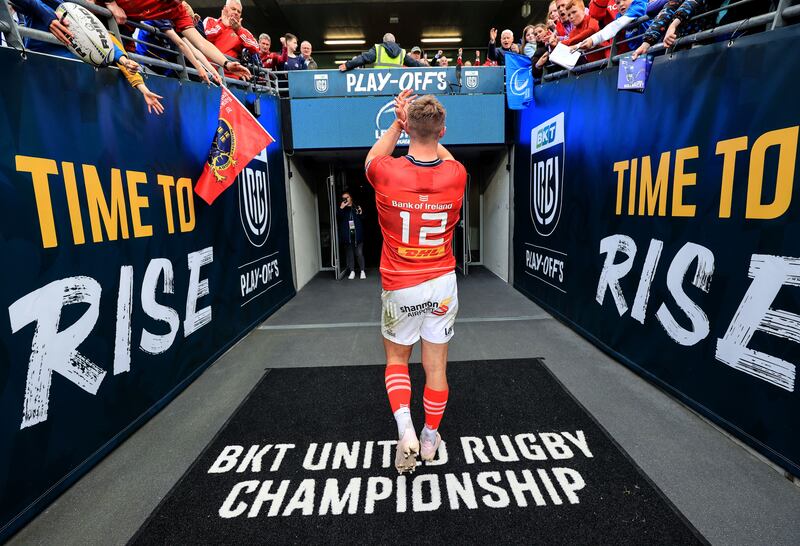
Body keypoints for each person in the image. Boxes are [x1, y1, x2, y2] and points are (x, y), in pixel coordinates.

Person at [365, 89, 467, 473]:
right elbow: (444, 155)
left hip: (400, 284)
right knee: (436, 368)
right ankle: (428, 439)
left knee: (396, 359)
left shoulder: (385, 172)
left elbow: (374, 156)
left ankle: (405, 430)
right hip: (441, 282)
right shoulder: (456, 174)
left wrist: (398, 122)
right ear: (442, 131)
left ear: (409, 129)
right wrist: (422, 129)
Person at [100, 0, 252, 79]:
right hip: (91, 14)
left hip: (121, 30)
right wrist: (110, 3)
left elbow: (200, 43)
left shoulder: (176, 10)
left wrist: (227, 64)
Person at [203, 0, 258, 77]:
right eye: (233, 9)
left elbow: (255, 48)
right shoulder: (210, 21)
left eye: (238, 11)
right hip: (209, 74)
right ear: (225, 8)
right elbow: (206, 37)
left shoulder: (242, 31)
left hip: (232, 78)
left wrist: (238, 30)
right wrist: (223, 25)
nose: (236, 12)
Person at [339, 32, 423, 71]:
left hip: (380, 86)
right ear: (394, 41)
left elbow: (364, 58)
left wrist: (348, 65)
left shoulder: (378, 49)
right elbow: (415, 64)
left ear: (384, 42)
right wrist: (432, 69)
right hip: (396, 87)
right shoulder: (401, 52)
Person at [337, 192, 366, 280]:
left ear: (351, 198)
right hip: (347, 235)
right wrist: (341, 208)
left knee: (359, 253)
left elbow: (363, 219)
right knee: (350, 254)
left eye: (347, 197)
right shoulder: (342, 209)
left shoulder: (356, 207)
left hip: (358, 235)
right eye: (344, 198)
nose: (346, 199)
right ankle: (352, 271)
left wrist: (361, 213)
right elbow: (338, 218)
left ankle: (362, 271)